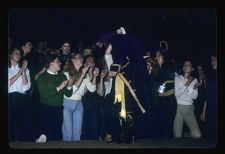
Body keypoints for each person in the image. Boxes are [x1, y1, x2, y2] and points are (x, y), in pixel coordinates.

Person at [99, 27, 151, 143]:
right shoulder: (112, 61)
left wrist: (124, 37)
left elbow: (131, 51)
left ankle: (128, 136)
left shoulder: (131, 64)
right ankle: (117, 136)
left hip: (128, 90)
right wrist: (117, 37)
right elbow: (107, 52)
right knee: (115, 111)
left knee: (128, 112)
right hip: (115, 91)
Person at [36, 54, 74, 142]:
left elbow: (68, 94)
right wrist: (59, 88)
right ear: (51, 63)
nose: (60, 63)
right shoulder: (42, 77)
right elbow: (44, 96)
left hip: (59, 109)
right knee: (46, 137)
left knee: (56, 136)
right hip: (46, 109)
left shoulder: (62, 76)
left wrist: (69, 86)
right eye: (57, 61)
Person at [62, 53, 98, 141]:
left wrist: (94, 77)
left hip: (79, 103)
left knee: (77, 132)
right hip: (67, 102)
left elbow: (92, 89)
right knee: (68, 133)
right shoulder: (66, 74)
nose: (82, 59)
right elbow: (70, 92)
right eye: (79, 58)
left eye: (82, 58)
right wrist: (83, 74)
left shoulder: (84, 74)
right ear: (73, 60)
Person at [8, 48, 34, 142]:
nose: (18, 55)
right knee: (11, 123)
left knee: (25, 120)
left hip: (21, 97)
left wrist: (23, 71)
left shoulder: (25, 70)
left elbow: (26, 87)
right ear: (10, 55)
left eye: (19, 53)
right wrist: (19, 72)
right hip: (10, 97)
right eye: (15, 53)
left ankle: (31, 140)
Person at [174, 60, 201, 138]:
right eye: (185, 65)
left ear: (192, 69)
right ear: (183, 68)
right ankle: (181, 135)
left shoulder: (194, 80)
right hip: (180, 109)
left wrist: (195, 88)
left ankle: (187, 134)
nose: (186, 66)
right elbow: (177, 95)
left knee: (197, 135)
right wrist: (187, 83)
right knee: (177, 136)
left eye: (189, 65)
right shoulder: (178, 78)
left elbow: (194, 97)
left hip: (190, 109)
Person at [205, 55, 217, 140]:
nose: (212, 61)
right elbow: (207, 91)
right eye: (211, 59)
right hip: (210, 102)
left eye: (214, 59)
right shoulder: (210, 74)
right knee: (212, 123)